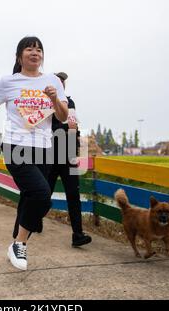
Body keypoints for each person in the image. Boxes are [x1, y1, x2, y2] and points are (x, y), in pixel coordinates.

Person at [0, 36, 68, 270]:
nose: (35, 52)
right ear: (19, 56)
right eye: (29, 48)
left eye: (39, 49)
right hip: (15, 145)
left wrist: (53, 98)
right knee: (41, 195)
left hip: (43, 147)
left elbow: (62, 116)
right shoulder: (9, 81)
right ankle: (19, 244)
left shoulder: (53, 82)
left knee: (31, 196)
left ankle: (16, 239)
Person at [48, 72, 92, 247]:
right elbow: (50, 127)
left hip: (69, 155)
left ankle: (78, 234)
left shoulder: (69, 102)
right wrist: (66, 128)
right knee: (43, 194)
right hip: (50, 155)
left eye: (63, 81)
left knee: (73, 195)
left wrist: (72, 132)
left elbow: (73, 126)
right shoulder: (45, 102)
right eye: (58, 81)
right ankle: (33, 222)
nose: (62, 83)